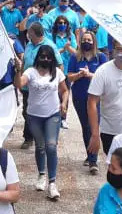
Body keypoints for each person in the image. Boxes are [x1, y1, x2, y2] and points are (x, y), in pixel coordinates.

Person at [15, 45, 68, 201]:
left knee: (51, 146)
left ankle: (52, 183)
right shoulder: (30, 72)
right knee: (40, 146)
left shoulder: (57, 72)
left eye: (48, 57)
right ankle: (41, 175)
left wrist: (64, 103)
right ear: (37, 57)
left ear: (52, 59)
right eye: (42, 56)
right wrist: (17, 70)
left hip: (53, 114)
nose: (45, 59)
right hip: (34, 116)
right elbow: (19, 84)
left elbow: (65, 90)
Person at [66, 30, 106, 175]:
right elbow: (69, 77)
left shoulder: (100, 57)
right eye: (84, 40)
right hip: (80, 96)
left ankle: (92, 159)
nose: (86, 42)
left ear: (94, 42)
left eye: (89, 40)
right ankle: (91, 157)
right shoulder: (75, 57)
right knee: (86, 127)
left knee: (94, 126)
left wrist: (90, 75)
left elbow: (105, 76)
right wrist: (79, 74)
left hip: (96, 97)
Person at [18, 22, 60, 150]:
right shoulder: (29, 45)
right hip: (27, 83)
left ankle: (41, 135)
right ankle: (29, 137)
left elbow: (59, 64)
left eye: (29, 32)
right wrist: (20, 75)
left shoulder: (49, 45)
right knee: (27, 110)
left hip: (43, 86)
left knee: (40, 111)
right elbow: (24, 62)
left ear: (33, 33)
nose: (27, 34)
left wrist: (55, 82)